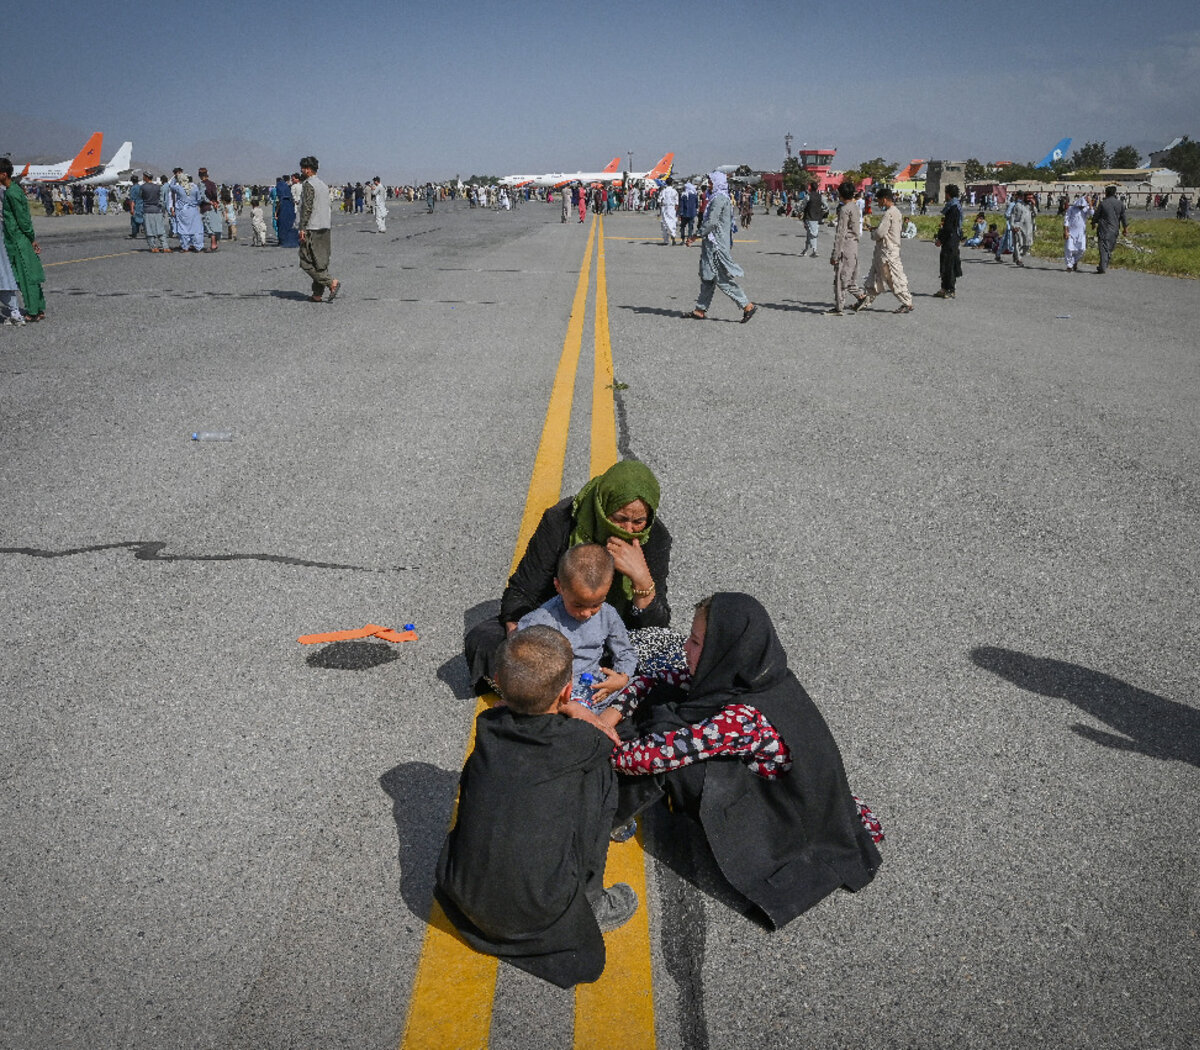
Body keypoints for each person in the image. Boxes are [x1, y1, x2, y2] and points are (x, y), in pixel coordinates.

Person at [602, 594, 882, 928]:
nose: (685, 649)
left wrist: (598, 747)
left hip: (785, 819)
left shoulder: (743, 717)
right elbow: (660, 678)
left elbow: (654, 757)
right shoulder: (755, 674)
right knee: (667, 707)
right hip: (803, 794)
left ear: (723, 648)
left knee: (676, 759)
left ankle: (604, 815)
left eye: (695, 642)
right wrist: (617, 710)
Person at [435, 625, 637, 989]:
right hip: (538, 913)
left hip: (464, 896)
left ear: (498, 682)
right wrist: (580, 712)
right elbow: (606, 740)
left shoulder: (488, 727)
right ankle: (592, 899)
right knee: (600, 777)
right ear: (566, 690)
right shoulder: (579, 741)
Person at [464, 459, 672, 694]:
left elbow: (657, 625)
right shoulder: (562, 520)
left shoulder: (654, 538)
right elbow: (521, 591)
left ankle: (548, 693)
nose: (628, 529)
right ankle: (564, 692)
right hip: (554, 628)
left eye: (638, 522)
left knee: (668, 651)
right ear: (602, 507)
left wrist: (642, 580)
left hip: (610, 635)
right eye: (620, 518)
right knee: (484, 640)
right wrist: (523, 647)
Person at [517, 544, 637, 708]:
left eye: (596, 604)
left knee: (644, 687)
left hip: (599, 690)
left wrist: (621, 678)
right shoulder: (541, 621)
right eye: (578, 605)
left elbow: (625, 651)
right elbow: (525, 667)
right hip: (560, 697)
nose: (587, 613)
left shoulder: (608, 614)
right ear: (559, 587)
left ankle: (601, 724)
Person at [684, 171, 756, 323]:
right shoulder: (718, 198)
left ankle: (747, 305)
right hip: (713, 244)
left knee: (721, 278)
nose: (708, 185)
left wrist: (695, 235)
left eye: (711, 182)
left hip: (716, 246)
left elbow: (711, 222)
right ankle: (700, 309)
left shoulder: (718, 200)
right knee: (707, 277)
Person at [853, 186, 913, 314]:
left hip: (888, 251)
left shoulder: (889, 213)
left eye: (879, 200)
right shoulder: (896, 212)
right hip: (885, 250)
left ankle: (907, 302)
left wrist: (873, 232)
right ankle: (866, 299)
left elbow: (880, 233)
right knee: (874, 276)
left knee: (892, 277)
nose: (878, 203)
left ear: (885, 200)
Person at [0, 157, 47, 321]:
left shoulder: (12, 193)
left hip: (19, 239)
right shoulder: (13, 190)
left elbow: (23, 218)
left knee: (26, 276)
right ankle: (39, 309)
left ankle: (33, 311)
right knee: (31, 275)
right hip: (20, 238)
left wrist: (30, 237)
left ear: (4, 174)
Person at [297, 156, 340, 303]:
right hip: (325, 226)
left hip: (312, 227)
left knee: (305, 261)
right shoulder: (322, 185)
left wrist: (302, 227)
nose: (301, 171)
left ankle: (331, 282)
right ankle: (317, 294)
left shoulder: (308, 185)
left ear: (308, 170)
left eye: (303, 168)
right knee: (320, 262)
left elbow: (307, 207)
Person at [828, 180, 863, 316]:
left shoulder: (844, 209)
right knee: (850, 276)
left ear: (840, 194)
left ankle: (839, 307)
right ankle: (860, 296)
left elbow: (840, 233)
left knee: (840, 276)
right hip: (854, 244)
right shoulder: (855, 207)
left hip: (845, 245)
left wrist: (835, 254)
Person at [933, 184, 963, 298]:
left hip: (950, 239)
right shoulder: (957, 205)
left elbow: (949, 227)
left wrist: (940, 239)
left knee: (947, 264)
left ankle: (947, 289)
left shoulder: (952, 207)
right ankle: (949, 288)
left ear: (948, 194)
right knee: (951, 263)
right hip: (954, 238)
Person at [1091, 185, 1128, 274]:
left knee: (1103, 247)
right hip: (1115, 229)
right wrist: (1125, 229)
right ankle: (1103, 265)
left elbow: (1096, 215)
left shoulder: (1103, 203)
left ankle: (1103, 266)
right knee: (1109, 247)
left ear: (1106, 193)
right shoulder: (1120, 204)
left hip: (1104, 229)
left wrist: (1093, 223)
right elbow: (1124, 217)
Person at [168, 172, 204, 252]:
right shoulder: (195, 188)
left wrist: (175, 177)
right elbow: (199, 200)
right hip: (193, 211)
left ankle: (185, 247)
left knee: (183, 229)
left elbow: (170, 186)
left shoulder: (179, 188)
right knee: (196, 229)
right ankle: (198, 246)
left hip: (182, 212)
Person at [1063, 194, 1093, 272]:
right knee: (1069, 249)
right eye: (1080, 206)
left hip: (1081, 233)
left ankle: (1074, 262)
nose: (1081, 208)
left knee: (1082, 249)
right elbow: (1066, 220)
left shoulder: (1086, 209)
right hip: (1071, 232)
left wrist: (1090, 203)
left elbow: (1092, 213)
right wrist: (1066, 231)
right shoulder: (1071, 209)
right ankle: (1069, 266)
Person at [141, 174, 168, 253]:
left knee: (149, 230)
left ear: (146, 177)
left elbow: (140, 197)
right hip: (157, 210)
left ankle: (153, 247)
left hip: (147, 210)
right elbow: (161, 199)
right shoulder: (158, 187)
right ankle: (165, 246)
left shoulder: (143, 187)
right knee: (160, 229)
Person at [197, 168, 221, 251]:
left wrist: (210, 202)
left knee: (208, 226)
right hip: (214, 207)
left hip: (206, 207)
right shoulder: (213, 184)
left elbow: (202, 196)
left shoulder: (201, 184)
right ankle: (215, 243)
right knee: (215, 225)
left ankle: (213, 244)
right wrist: (216, 203)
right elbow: (217, 195)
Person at [1008, 192, 1034, 267]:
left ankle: (1016, 255)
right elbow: (1012, 216)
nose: (1029, 199)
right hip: (1018, 227)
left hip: (1028, 228)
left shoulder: (1030, 206)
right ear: (1024, 197)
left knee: (1027, 245)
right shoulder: (1018, 205)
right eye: (1028, 198)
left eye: (1031, 198)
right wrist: (1013, 226)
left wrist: (1033, 205)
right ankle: (1019, 259)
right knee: (1018, 243)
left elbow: (1035, 214)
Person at [801, 181, 825, 257]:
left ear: (810, 187)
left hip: (809, 217)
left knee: (812, 234)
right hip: (817, 218)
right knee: (811, 233)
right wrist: (820, 211)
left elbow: (802, 206)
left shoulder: (808, 196)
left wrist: (799, 211)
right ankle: (805, 250)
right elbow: (826, 206)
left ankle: (815, 250)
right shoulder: (821, 197)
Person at [275, 175, 299, 247]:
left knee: (282, 224)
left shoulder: (280, 188)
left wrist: (276, 212)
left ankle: (282, 240)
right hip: (291, 207)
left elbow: (279, 201)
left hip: (283, 207)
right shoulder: (288, 188)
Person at [658, 176, 679, 245]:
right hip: (672, 208)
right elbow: (676, 203)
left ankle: (666, 240)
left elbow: (659, 200)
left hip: (665, 207)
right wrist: (676, 211)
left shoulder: (663, 191)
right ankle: (673, 234)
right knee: (672, 221)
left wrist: (660, 210)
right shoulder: (674, 191)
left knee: (664, 223)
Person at [127, 173, 144, 239]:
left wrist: (131, 209)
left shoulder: (133, 188)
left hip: (136, 206)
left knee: (134, 220)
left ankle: (134, 233)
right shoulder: (141, 187)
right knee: (142, 219)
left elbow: (132, 199)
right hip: (142, 205)